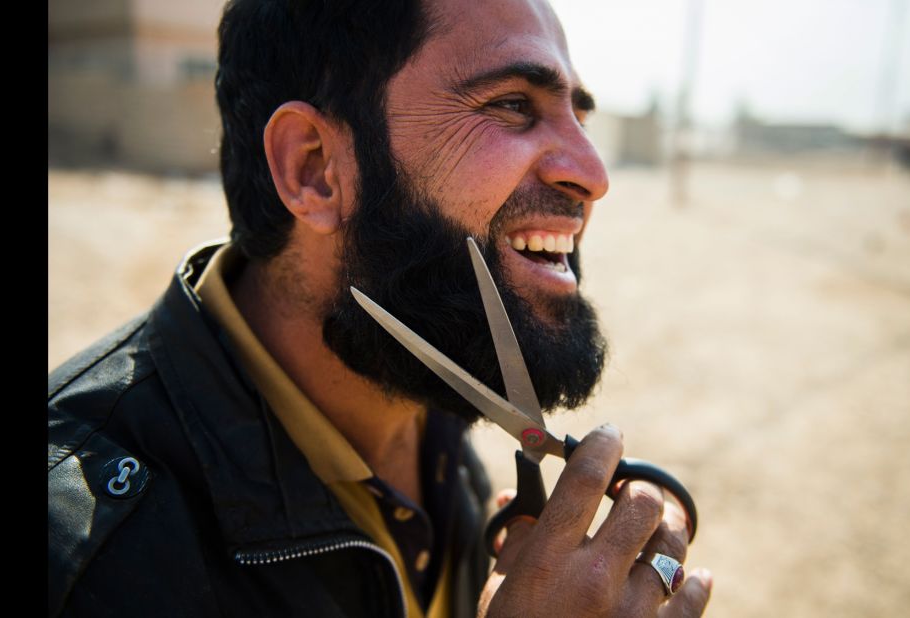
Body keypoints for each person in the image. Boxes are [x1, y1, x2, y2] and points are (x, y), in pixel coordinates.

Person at [47, 0, 713, 616]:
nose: (593, 175)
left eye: (579, 116)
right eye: (513, 106)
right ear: (314, 168)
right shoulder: (81, 553)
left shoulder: (426, 383)